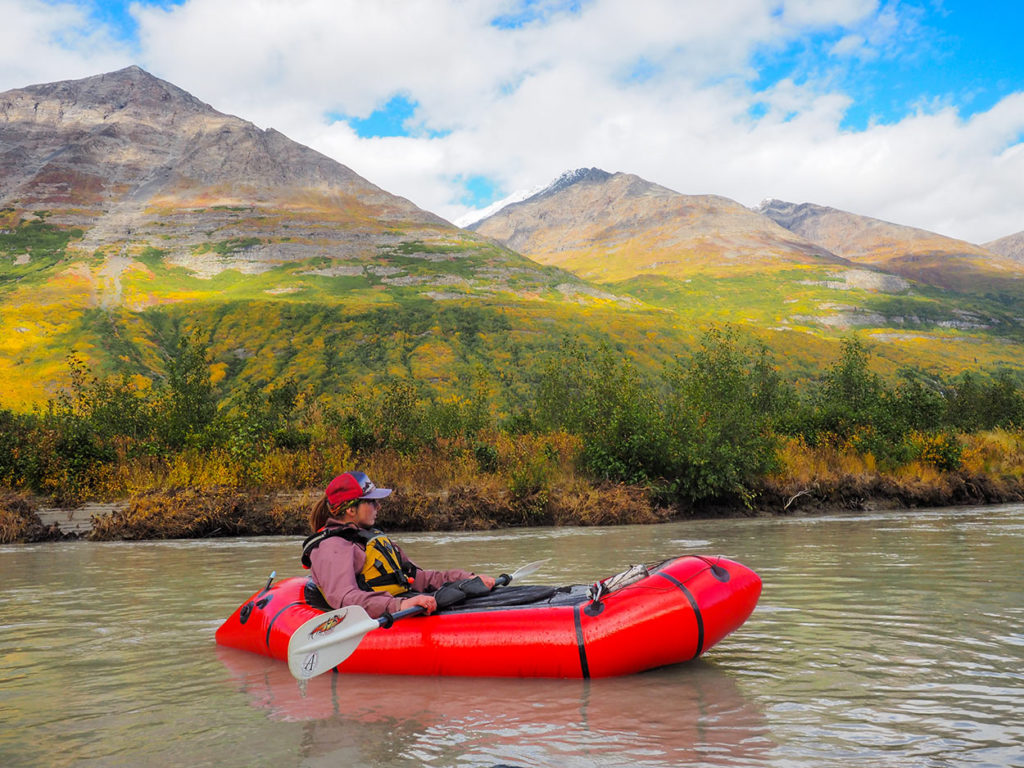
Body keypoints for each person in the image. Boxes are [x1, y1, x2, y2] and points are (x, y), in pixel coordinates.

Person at [302, 471, 496, 619]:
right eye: (372, 502)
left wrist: (466, 578)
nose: (378, 506)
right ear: (351, 509)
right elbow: (345, 599)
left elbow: (418, 578)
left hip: (401, 604)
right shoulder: (332, 547)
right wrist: (400, 605)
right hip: (388, 615)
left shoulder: (372, 539)